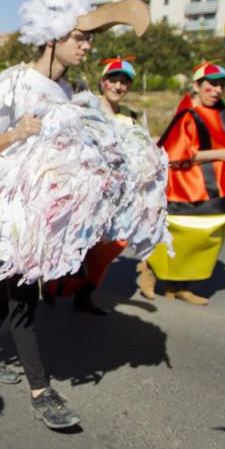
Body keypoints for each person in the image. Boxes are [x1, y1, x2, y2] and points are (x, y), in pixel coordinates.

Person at [0, 0, 148, 430]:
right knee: (26, 296)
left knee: (10, 285)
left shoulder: (72, 89)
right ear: (52, 37)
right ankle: (42, 390)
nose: (87, 46)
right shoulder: (14, 83)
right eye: (79, 38)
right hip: (13, 212)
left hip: (47, 212)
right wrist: (16, 133)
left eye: (89, 39)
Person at [137, 61, 225, 305]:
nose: (217, 90)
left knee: (203, 239)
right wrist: (217, 154)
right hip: (187, 189)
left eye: (221, 86)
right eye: (212, 85)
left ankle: (178, 286)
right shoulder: (188, 115)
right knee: (181, 235)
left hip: (213, 190)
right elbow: (175, 157)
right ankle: (150, 271)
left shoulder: (220, 112)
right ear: (197, 86)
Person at [42, 56, 139, 314]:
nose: (118, 86)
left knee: (109, 247)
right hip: (88, 190)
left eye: (124, 82)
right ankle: (51, 287)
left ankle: (84, 293)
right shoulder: (86, 108)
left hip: (117, 195)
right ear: (103, 81)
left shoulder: (132, 117)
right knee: (76, 243)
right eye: (113, 80)